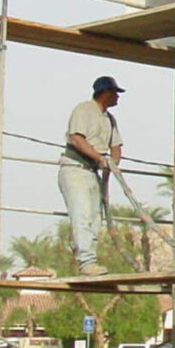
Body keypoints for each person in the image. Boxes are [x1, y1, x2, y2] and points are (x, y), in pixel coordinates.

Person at [58, 75, 125, 277]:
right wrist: (99, 158)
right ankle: (86, 262)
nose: (117, 98)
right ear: (105, 92)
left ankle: (89, 259)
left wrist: (111, 163)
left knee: (95, 218)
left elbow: (116, 146)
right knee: (82, 215)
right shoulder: (84, 110)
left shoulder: (109, 120)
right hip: (75, 169)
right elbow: (77, 138)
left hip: (92, 171)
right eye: (115, 93)